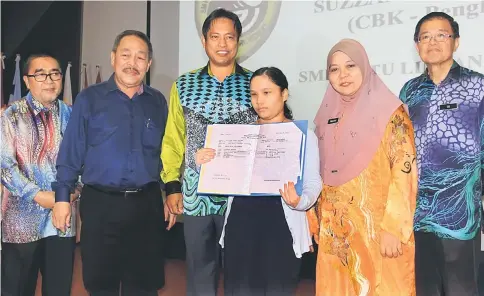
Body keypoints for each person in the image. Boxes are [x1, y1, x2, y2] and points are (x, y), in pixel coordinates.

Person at [52, 30, 169, 296]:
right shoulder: (89, 98)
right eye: (126, 55)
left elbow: (166, 152)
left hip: (146, 206)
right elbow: (71, 149)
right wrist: (61, 197)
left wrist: (171, 190)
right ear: (113, 58)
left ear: (149, 64)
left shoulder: (157, 102)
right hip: (101, 206)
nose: (133, 63)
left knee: (143, 286)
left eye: (141, 57)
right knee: (100, 284)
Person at [195, 66, 322, 295]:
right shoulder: (239, 134)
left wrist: (299, 201)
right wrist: (203, 163)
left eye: (267, 93)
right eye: (254, 94)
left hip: (282, 227)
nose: (259, 101)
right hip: (240, 226)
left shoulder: (302, 135)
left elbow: (313, 182)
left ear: (284, 94)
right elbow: (221, 179)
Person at [307, 39, 418, 296]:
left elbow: (405, 172)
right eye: (334, 69)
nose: (342, 75)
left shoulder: (392, 113)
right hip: (337, 235)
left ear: (365, 68)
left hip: (379, 231)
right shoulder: (325, 117)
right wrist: (314, 218)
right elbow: (319, 172)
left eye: (350, 66)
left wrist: (394, 229)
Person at [161, 8, 257, 296]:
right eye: (215, 37)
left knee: (242, 271)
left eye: (230, 37)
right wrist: (172, 186)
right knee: (199, 270)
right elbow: (173, 139)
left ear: (239, 41)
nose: (223, 44)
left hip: (240, 197)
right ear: (204, 41)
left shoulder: (255, 84)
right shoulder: (184, 85)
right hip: (195, 195)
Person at [399, 12, 484, 296]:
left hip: (461, 214)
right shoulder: (409, 91)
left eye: (441, 35)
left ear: (456, 42)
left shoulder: (478, 86)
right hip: (417, 214)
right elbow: (400, 151)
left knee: (462, 289)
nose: (433, 42)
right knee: (425, 289)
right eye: (426, 36)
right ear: (416, 45)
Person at [1, 53, 79, 296]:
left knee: (58, 288)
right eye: (40, 74)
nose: (49, 80)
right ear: (26, 80)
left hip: (61, 220)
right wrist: (38, 195)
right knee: (17, 289)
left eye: (55, 73)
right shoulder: (11, 115)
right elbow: (5, 167)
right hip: (21, 222)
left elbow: (83, 161)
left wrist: (73, 193)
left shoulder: (71, 114)